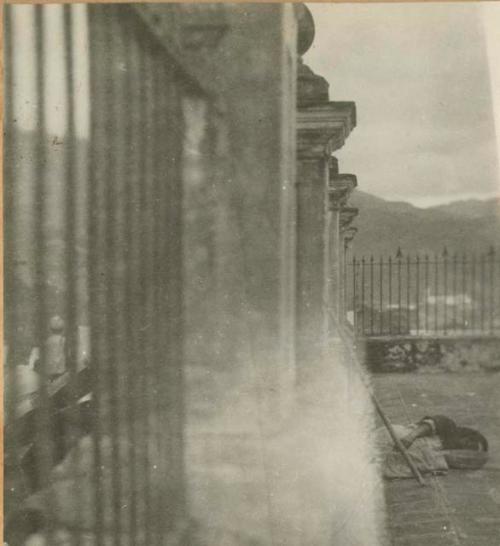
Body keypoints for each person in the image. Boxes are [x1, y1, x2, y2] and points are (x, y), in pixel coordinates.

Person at [377, 414, 488, 479]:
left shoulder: (443, 463)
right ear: (466, 436)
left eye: (472, 451)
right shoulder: (449, 427)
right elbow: (431, 424)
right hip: (395, 439)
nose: (467, 449)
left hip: (391, 461)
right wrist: (410, 437)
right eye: (470, 444)